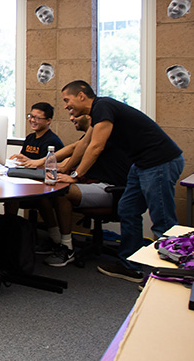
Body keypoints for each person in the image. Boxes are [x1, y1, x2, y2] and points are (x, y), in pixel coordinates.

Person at [60, 80, 184, 282]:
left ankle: (168, 277)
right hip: (142, 163)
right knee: (127, 209)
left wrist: (75, 176)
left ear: (81, 95)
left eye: (67, 100)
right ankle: (130, 265)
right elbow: (84, 144)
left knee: (163, 220)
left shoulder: (103, 106)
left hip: (160, 161)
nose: (66, 106)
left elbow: (96, 147)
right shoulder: (97, 114)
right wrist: (65, 169)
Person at [20, 113, 132, 267]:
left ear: (89, 117)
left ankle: (67, 248)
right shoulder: (87, 138)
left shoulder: (101, 139)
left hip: (110, 189)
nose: (71, 118)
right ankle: (56, 239)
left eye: (75, 114)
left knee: (62, 192)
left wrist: (68, 173)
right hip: (95, 186)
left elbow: (78, 156)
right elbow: (70, 156)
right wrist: (34, 164)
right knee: (47, 191)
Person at [6, 102, 66, 251]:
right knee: (10, 194)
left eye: (37, 118)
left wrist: (30, 164)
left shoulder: (52, 141)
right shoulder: (30, 138)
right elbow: (27, 160)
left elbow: (46, 166)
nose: (33, 120)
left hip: (43, 182)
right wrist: (19, 159)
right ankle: (8, 231)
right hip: (27, 179)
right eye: (31, 116)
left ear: (48, 120)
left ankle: (55, 237)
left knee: (42, 198)